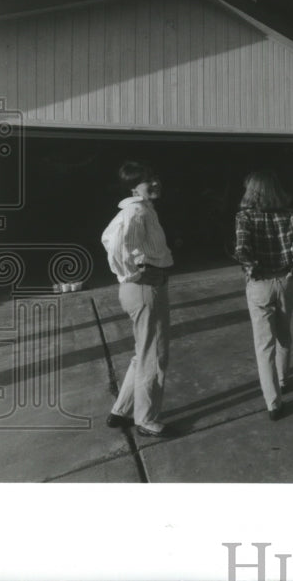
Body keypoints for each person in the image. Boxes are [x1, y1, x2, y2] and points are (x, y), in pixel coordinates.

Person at [101, 162, 175, 438]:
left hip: (141, 288)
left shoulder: (140, 209)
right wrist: (136, 273)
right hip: (144, 288)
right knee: (154, 355)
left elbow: (106, 237)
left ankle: (120, 411)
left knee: (143, 353)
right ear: (133, 187)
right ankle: (146, 420)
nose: (154, 183)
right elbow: (119, 247)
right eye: (147, 181)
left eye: (155, 178)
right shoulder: (136, 210)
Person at [234, 171, 293, 421]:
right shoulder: (291, 215)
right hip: (285, 280)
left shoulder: (244, 217)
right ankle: (283, 379)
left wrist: (252, 268)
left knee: (264, 344)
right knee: (284, 334)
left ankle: (273, 403)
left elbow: (241, 250)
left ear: (252, 191)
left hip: (260, 283)